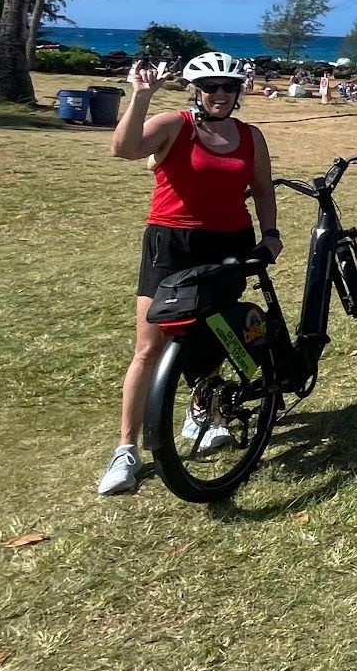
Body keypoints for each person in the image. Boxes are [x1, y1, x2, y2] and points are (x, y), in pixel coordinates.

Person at [96, 52, 283, 495]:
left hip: (230, 244)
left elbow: (260, 188)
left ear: (238, 92)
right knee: (149, 345)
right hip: (172, 244)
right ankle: (126, 448)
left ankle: (204, 409)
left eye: (228, 87)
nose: (220, 94)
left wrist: (271, 232)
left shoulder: (250, 136)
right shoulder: (173, 124)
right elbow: (123, 149)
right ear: (197, 91)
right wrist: (139, 96)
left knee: (216, 331)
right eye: (211, 87)